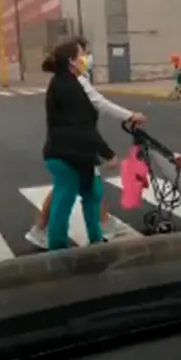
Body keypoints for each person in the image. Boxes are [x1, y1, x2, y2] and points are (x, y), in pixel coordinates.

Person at [26, 38, 145, 249]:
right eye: (82, 54)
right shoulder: (68, 86)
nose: (86, 58)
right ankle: (58, 249)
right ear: (72, 60)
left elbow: (85, 122)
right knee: (64, 201)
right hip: (66, 155)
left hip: (77, 155)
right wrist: (107, 152)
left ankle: (96, 241)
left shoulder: (71, 81)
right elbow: (82, 124)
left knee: (92, 194)